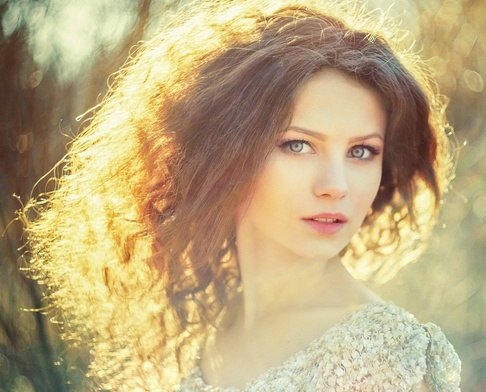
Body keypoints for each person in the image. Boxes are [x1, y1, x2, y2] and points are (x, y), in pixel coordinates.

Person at [20, 0, 460, 390]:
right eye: (298, 145)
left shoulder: (383, 358)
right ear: (226, 154)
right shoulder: (195, 335)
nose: (336, 184)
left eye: (362, 151)